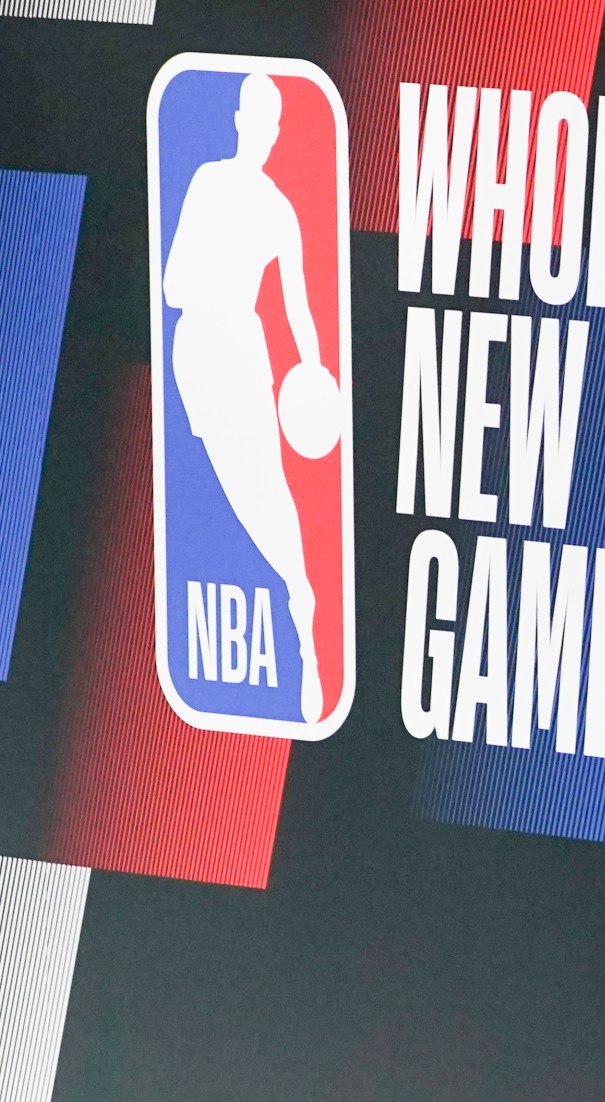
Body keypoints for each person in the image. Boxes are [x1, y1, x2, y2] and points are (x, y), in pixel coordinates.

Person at [164, 71, 328, 724]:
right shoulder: (206, 182)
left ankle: (304, 610)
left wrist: (315, 375)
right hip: (197, 355)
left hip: (243, 353)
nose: (263, 131)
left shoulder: (280, 211)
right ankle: (297, 597)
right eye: (255, 116)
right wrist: (212, 286)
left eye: (272, 121)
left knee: (269, 494)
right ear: (240, 121)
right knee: (238, 497)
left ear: (277, 131)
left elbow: (299, 308)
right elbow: (175, 282)